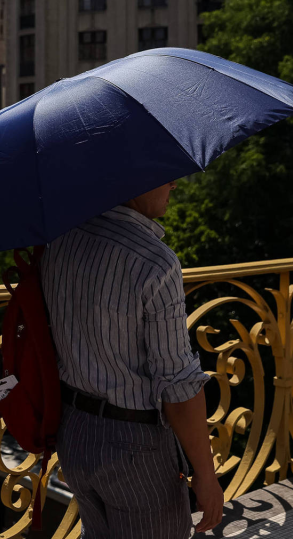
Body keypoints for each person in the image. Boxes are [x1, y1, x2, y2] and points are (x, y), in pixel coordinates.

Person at [40, 180, 223, 538]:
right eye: (165, 176)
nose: (174, 184)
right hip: (133, 445)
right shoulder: (155, 262)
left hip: (73, 429)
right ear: (135, 179)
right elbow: (178, 383)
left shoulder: (60, 239)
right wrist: (206, 474)